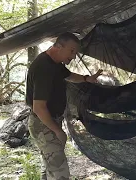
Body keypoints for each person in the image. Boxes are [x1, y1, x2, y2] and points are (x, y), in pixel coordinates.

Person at [25, 32, 102, 180]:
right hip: (43, 124)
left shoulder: (55, 64)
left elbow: (69, 75)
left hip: (49, 121)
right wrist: (57, 130)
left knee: (51, 168)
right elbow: (38, 107)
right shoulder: (44, 68)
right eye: (72, 51)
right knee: (60, 172)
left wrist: (87, 78)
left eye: (76, 52)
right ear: (58, 46)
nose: (73, 56)